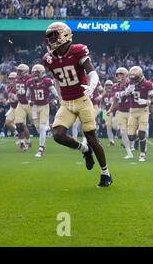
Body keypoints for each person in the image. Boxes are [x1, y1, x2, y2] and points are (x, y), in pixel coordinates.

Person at [42, 21, 112, 187]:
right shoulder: (49, 59)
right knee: (58, 135)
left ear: (65, 35)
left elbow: (92, 72)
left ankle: (105, 173)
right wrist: (59, 97)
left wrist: (92, 87)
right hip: (66, 103)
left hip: (82, 100)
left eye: (54, 35)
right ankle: (84, 150)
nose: (51, 39)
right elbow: (57, 80)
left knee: (92, 138)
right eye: (49, 36)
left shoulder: (78, 50)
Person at [26, 64, 59, 157]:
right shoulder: (29, 82)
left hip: (44, 106)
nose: (35, 74)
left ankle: (41, 148)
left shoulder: (47, 81)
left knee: (41, 127)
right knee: (38, 129)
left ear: (42, 72)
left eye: (37, 72)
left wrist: (55, 100)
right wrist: (29, 101)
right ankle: (49, 128)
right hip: (35, 107)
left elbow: (55, 93)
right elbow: (27, 95)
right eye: (34, 72)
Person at [125, 66, 153, 162]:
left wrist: (146, 102)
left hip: (143, 111)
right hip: (132, 111)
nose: (133, 81)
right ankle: (138, 134)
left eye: (135, 79)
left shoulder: (148, 84)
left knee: (142, 133)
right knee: (131, 137)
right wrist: (127, 93)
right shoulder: (130, 84)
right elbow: (123, 99)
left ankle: (142, 154)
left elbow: (151, 99)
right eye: (132, 79)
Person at [14, 64, 33, 151]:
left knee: (37, 124)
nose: (18, 72)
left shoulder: (30, 78)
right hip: (21, 103)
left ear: (25, 71)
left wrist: (26, 91)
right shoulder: (17, 79)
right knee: (19, 124)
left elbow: (34, 89)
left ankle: (29, 141)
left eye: (20, 71)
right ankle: (22, 143)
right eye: (18, 70)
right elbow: (17, 91)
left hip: (29, 104)